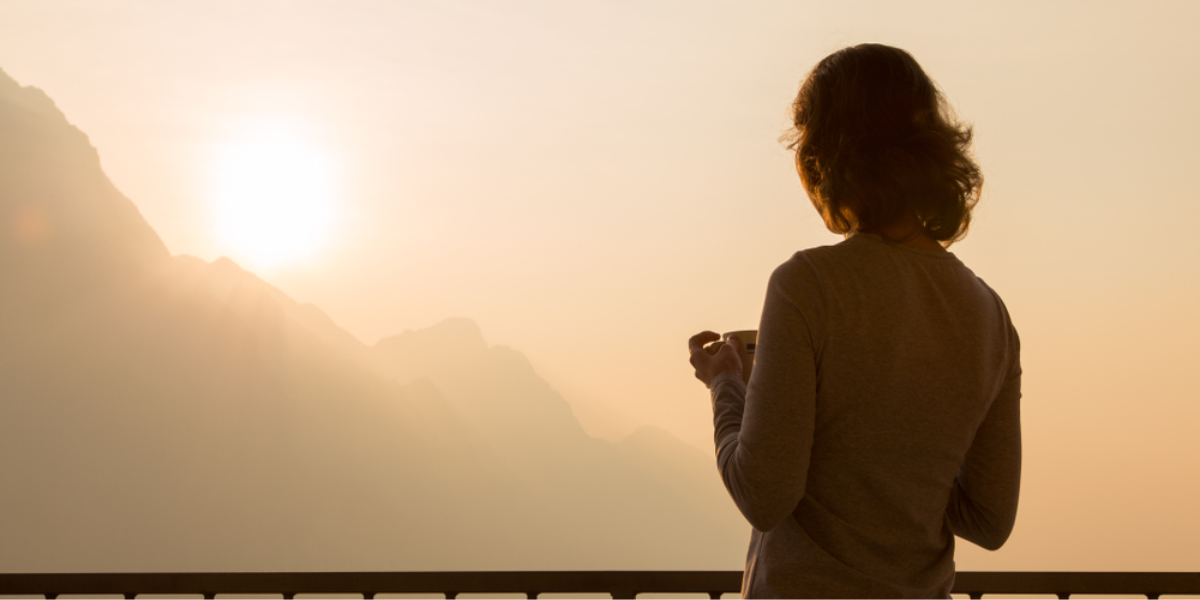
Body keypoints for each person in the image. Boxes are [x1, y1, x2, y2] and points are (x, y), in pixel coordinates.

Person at [687, 44, 1022, 599]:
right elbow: (989, 520)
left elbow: (764, 495)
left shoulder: (808, 285)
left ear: (825, 154)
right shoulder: (989, 314)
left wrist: (725, 383)